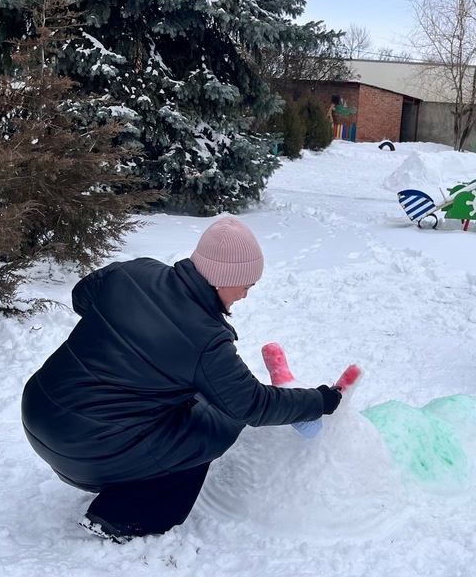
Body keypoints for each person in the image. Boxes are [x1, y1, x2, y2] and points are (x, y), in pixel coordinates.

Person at [21, 217, 343, 542]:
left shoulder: (133, 271)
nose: (246, 295)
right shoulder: (204, 339)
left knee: (194, 398)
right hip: (85, 448)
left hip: (39, 412)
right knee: (216, 425)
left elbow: (82, 297)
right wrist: (319, 401)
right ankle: (122, 515)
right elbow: (252, 405)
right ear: (222, 279)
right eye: (246, 285)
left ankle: (131, 473)